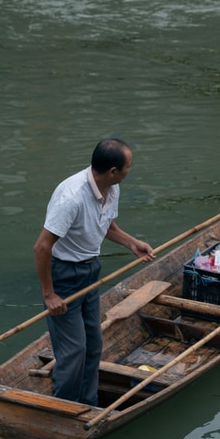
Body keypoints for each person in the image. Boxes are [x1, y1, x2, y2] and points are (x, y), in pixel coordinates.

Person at [34, 138, 155, 405]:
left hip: (90, 270)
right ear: (113, 171)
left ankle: (87, 404)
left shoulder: (111, 189)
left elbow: (106, 225)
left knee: (93, 345)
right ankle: (62, 409)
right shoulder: (72, 197)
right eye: (128, 167)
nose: (130, 171)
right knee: (73, 350)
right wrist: (49, 295)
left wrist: (131, 242)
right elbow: (42, 247)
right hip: (64, 276)